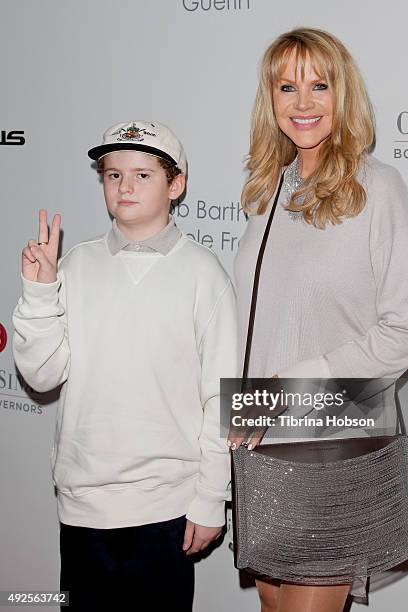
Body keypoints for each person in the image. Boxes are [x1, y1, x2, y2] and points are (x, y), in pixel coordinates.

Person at [229, 29, 408, 612]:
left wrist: (290, 386)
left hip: (333, 442)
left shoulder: (379, 187)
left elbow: (407, 328)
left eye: (320, 85)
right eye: (287, 86)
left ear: (344, 95)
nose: (303, 102)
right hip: (259, 443)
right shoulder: (269, 193)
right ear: (269, 99)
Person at [12, 120, 237, 611]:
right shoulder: (74, 265)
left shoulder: (204, 275)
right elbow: (41, 374)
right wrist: (39, 291)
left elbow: (222, 397)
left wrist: (210, 499)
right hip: (81, 509)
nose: (125, 186)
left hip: (166, 509)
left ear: (175, 185)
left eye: (142, 174)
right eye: (113, 175)